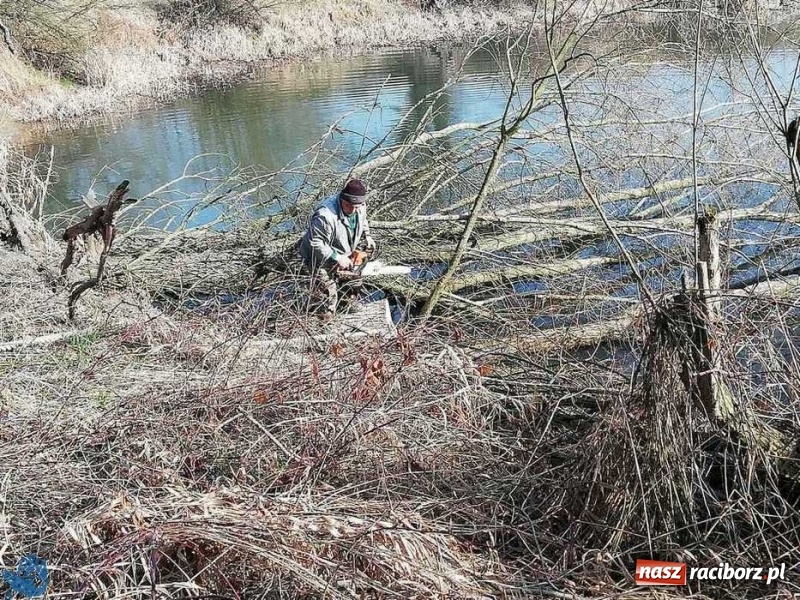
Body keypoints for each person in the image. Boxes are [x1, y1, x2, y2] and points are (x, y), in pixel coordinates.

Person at [298, 179, 376, 316]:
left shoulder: (360, 205)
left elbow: (363, 220)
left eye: (356, 207)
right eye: (349, 206)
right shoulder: (325, 215)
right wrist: (337, 257)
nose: (353, 210)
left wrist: (367, 236)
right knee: (328, 294)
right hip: (317, 257)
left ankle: (347, 305)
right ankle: (324, 318)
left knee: (355, 279)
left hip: (344, 251)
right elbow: (315, 243)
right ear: (342, 200)